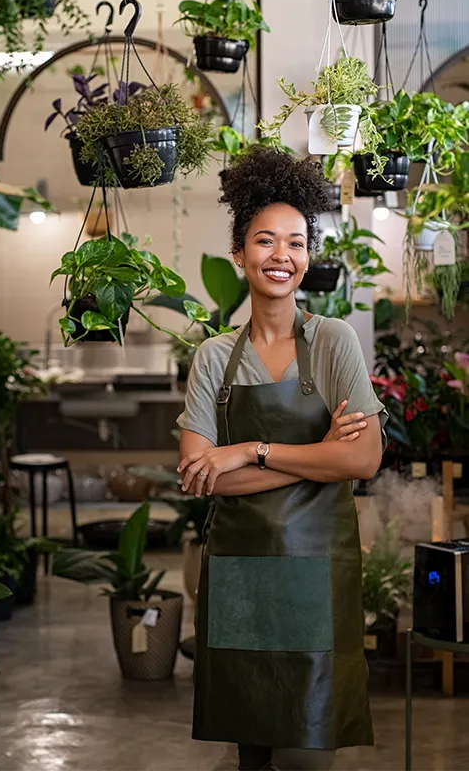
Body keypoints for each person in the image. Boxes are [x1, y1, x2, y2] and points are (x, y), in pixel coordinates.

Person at [176, 148, 388, 771]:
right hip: (241, 572)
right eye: (265, 241)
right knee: (253, 750)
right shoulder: (214, 357)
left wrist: (248, 450)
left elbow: (366, 459)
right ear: (240, 255)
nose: (282, 256)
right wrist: (321, 453)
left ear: (308, 257)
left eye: (295, 243)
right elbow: (200, 475)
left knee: (307, 751)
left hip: (316, 572)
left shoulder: (333, 342)